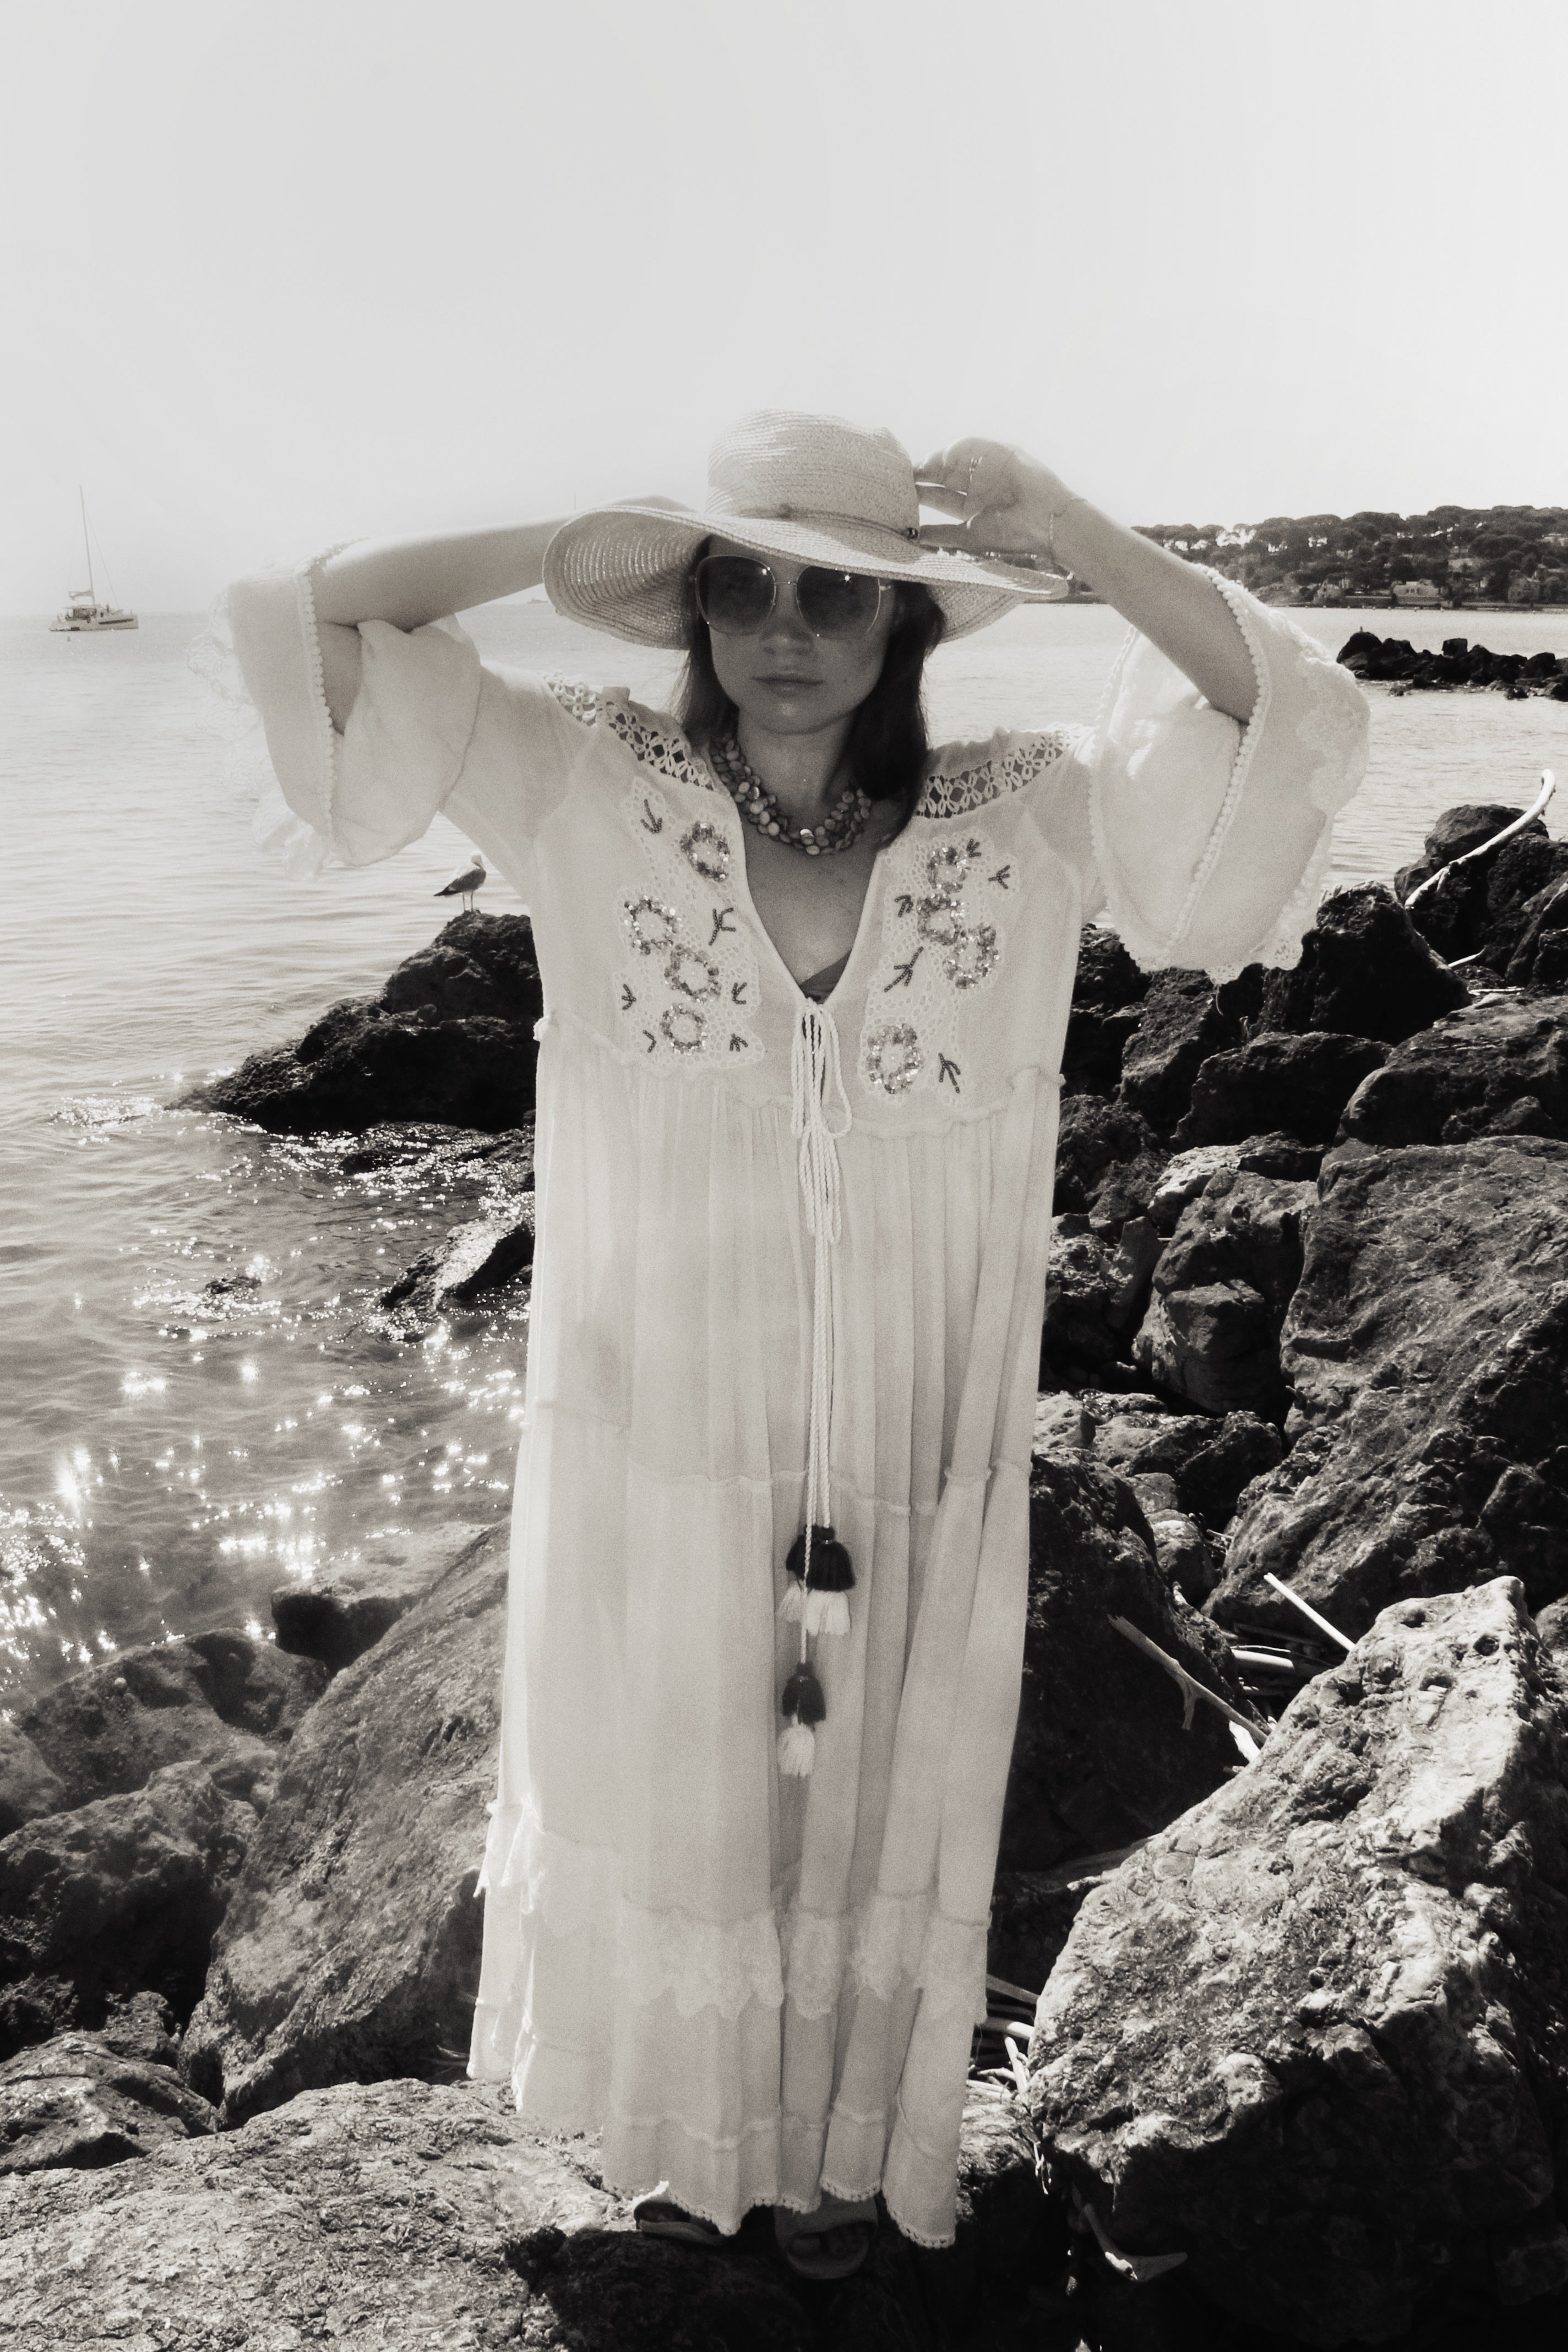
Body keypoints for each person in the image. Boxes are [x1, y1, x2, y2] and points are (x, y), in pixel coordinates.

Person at [220, 411, 1368, 2279]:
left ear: (905, 621)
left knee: (878, 1753)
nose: (783, 627)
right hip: (664, 1389)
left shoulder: (1023, 814)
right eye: (740, 583)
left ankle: (839, 2145)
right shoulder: (582, 780)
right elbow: (319, 619)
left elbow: (1283, 713)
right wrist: (592, 524)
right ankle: (685, 2131)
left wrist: (1066, 526)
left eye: (838, 592)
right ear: (692, 607)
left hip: (912, 1396)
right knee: (679, 1748)